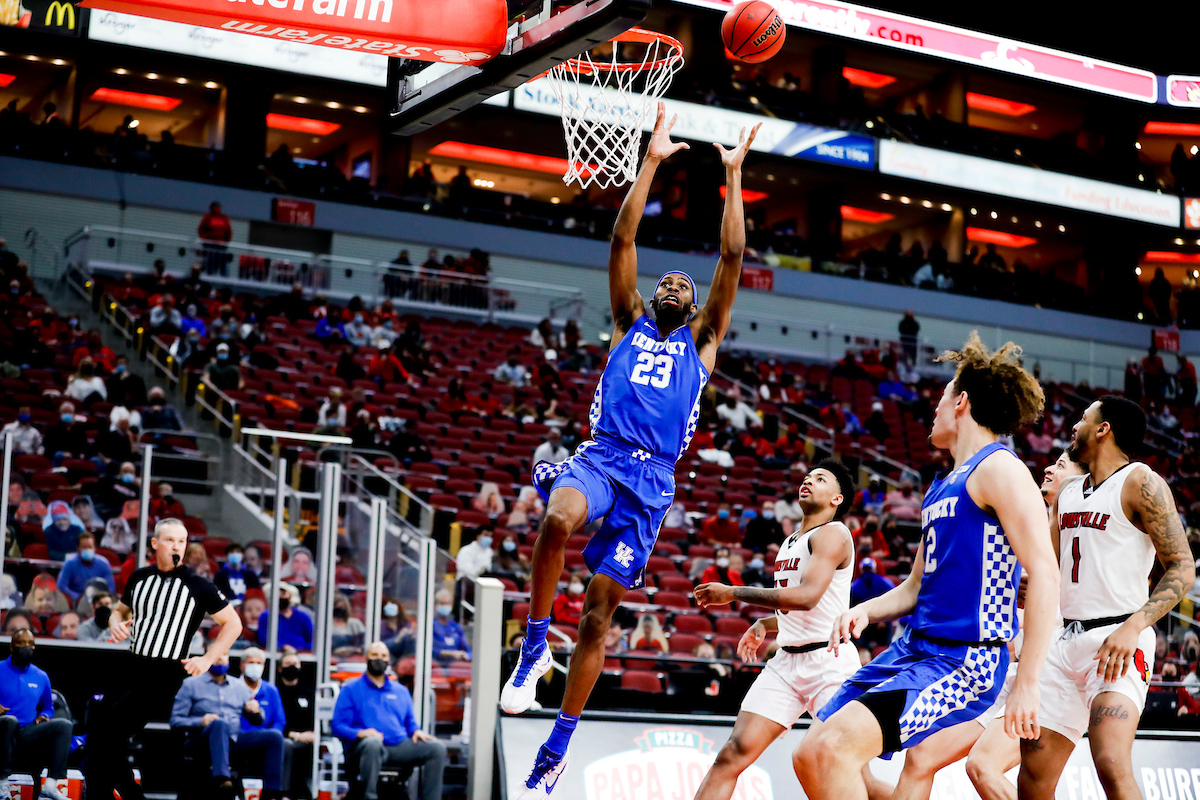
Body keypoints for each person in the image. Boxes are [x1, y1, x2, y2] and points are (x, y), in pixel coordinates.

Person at [506, 104, 760, 798]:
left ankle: (560, 741)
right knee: (557, 517)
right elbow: (621, 240)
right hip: (603, 454)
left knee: (598, 613)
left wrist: (732, 177)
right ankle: (532, 649)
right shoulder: (627, 320)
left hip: (651, 483)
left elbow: (732, 257)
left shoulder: (702, 343)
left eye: (686, 284)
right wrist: (649, 161)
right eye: (667, 281)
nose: (677, 284)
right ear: (650, 296)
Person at [794, 334, 1060, 800]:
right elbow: (916, 585)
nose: (932, 409)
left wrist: (1029, 684)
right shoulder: (941, 486)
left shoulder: (999, 468)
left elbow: (1044, 572)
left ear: (961, 401)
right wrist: (867, 611)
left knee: (836, 749)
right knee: (810, 752)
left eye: (940, 397)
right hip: (915, 647)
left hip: (965, 657)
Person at [1019, 397, 1196, 800]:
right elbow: (1049, 568)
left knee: (1111, 764)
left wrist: (1133, 626)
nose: (1073, 426)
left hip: (1118, 637)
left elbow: (1183, 567)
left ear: (1104, 429)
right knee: (1033, 776)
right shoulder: (1066, 493)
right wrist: (1031, 585)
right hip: (1064, 643)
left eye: (1083, 419)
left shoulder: (1140, 481)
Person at [892, 450, 1088, 800]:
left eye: (1061, 465)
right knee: (920, 756)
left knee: (983, 766)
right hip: (1012, 668)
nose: (1047, 468)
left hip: (1053, 672)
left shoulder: (1083, 529)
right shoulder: (1026, 520)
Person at [693, 461, 890, 800]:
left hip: (830, 663)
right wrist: (766, 623)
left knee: (850, 774)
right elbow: (813, 606)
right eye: (807, 476)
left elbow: (808, 597)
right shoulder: (789, 541)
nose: (808, 481)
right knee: (732, 754)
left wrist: (733, 592)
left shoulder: (834, 533)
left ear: (837, 499)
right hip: (786, 662)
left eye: (820, 479)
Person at [86, 518, 244, 800]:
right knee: (98, 733)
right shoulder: (139, 577)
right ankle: (107, 794)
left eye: (182, 541)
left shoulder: (199, 586)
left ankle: (127, 796)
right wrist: (114, 623)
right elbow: (119, 611)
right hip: (132, 663)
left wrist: (208, 659)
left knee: (109, 735)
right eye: (170, 540)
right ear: (155, 544)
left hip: (165, 671)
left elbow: (233, 624)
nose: (177, 546)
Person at [331, 641, 447, 800]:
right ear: (366, 659)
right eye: (375, 655)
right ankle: (369, 796)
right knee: (373, 743)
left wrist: (416, 731)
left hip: (398, 745)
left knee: (436, 748)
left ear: (389, 661)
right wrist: (361, 733)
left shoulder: (401, 690)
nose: (379, 659)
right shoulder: (350, 689)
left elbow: (410, 722)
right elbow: (337, 726)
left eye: (383, 656)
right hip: (364, 748)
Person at [171, 648, 285, 799]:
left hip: (233, 740)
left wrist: (256, 711)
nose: (220, 659)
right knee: (219, 724)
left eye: (223, 655)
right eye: (216, 655)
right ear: (207, 657)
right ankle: (223, 781)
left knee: (275, 736)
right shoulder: (191, 684)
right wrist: (201, 721)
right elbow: (176, 720)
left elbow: (258, 721)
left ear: (229, 660)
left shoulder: (238, 687)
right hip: (201, 741)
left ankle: (273, 793)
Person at [0, 630, 71, 800]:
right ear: (11, 647)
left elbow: (48, 706)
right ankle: (2, 782)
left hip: (26, 732)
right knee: (10, 721)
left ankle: (51, 784)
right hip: (2, 729)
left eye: (30, 644)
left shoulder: (40, 676)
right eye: (21, 644)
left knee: (64, 725)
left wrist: (44, 715)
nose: (26, 647)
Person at [277, 647, 315, 800]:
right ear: (280, 669)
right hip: (285, 738)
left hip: (308, 740)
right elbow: (273, 723)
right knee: (288, 745)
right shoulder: (275, 692)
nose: (292, 667)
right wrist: (295, 735)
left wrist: (313, 734)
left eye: (295, 664)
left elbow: (315, 721)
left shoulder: (309, 693)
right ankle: (285, 792)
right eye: (288, 664)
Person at [56, 531, 116, 603]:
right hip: (76, 602)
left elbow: (111, 588)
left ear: (94, 548)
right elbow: (61, 586)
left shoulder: (104, 564)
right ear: (78, 549)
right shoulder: (70, 563)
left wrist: (99, 599)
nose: (87, 550)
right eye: (84, 547)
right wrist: (78, 597)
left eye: (90, 547)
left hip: (99, 601)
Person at [257, 584, 313, 651]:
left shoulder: (303, 616)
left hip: (302, 655)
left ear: (290, 596)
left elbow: (311, 640)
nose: (280, 597)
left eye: (283, 594)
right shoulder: (266, 616)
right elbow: (263, 639)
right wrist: (282, 647)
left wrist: (300, 649)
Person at [431, 590, 471, 664]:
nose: (445, 606)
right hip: (436, 665)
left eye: (447, 604)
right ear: (435, 605)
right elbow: (428, 651)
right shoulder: (430, 626)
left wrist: (465, 655)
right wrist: (449, 653)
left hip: (455, 667)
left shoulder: (456, 627)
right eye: (442, 604)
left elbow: (468, 651)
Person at [199, 202, 232, 275]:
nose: (217, 209)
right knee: (211, 264)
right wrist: (206, 241)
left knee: (223, 265)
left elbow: (228, 231)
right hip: (211, 247)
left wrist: (226, 243)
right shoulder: (208, 217)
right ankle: (210, 277)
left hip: (222, 247)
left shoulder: (224, 218)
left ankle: (224, 281)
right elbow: (201, 230)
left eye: (218, 207)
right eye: (215, 207)